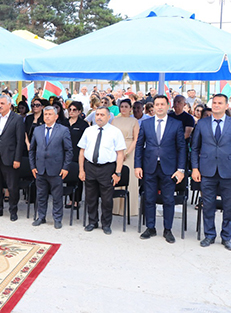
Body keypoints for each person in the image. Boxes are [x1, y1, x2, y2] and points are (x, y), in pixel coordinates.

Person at [191, 94, 231, 251]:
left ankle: (226, 237)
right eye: (214, 102)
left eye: (220, 103)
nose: (216, 105)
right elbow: (195, 148)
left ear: (226, 106)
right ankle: (209, 235)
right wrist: (195, 168)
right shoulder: (202, 123)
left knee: (228, 207)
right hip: (207, 171)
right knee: (208, 205)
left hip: (229, 172)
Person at [134, 95, 186, 243]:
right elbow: (139, 145)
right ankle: (150, 227)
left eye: (162, 104)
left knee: (168, 200)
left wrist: (181, 169)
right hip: (149, 166)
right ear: (153, 107)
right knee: (149, 198)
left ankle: (167, 229)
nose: (160, 107)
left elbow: (182, 148)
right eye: (157, 104)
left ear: (168, 106)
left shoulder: (176, 124)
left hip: (169, 168)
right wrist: (137, 165)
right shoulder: (146, 124)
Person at [77, 107, 126, 234]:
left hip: (107, 168)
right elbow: (82, 151)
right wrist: (81, 170)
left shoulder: (115, 132)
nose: (99, 117)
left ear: (109, 117)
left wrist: (118, 172)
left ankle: (106, 224)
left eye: (102, 115)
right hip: (90, 167)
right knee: (90, 197)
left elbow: (120, 154)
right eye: (97, 114)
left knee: (107, 199)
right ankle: (92, 222)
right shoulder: (88, 130)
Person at [29, 106, 73, 229]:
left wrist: (65, 167)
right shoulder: (37, 130)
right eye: (45, 114)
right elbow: (32, 150)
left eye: (50, 114)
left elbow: (69, 150)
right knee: (41, 195)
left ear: (56, 116)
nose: (47, 116)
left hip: (56, 169)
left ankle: (57, 219)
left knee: (57, 196)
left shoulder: (63, 130)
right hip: (40, 168)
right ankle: (41, 217)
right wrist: (33, 166)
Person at [0, 95, 25, 221]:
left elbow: (20, 141)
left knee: (12, 186)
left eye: (2, 103)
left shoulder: (17, 119)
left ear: (9, 105)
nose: (0, 106)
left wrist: (17, 159)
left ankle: (13, 210)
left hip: (10, 158)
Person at [111, 99, 140, 216]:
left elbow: (136, 139)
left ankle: (129, 208)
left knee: (130, 178)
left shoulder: (134, 121)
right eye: (122, 106)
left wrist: (127, 153)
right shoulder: (114, 120)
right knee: (116, 175)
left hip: (129, 150)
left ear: (130, 109)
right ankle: (115, 208)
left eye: (126, 107)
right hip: (116, 150)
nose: (123, 109)